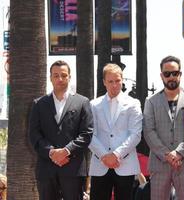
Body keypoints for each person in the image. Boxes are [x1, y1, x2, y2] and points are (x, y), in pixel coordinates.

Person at [29, 60, 93, 200]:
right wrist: (51, 152)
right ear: (50, 77)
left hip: (73, 169)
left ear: (69, 77)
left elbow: (86, 134)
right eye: (56, 75)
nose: (60, 79)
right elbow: (34, 134)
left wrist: (66, 151)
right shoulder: (38, 104)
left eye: (64, 75)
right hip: (46, 170)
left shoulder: (82, 102)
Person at [143, 55, 184, 200]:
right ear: (162, 76)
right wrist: (167, 155)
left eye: (175, 73)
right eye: (167, 74)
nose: (171, 77)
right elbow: (149, 131)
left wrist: (179, 152)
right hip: (159, 164)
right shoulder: (151, 101)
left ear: (180, 74)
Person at [88, 63, 143, 200]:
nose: (114, 85)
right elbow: (89, 134)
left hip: (125, 165)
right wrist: (105, 156)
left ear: (122, 80)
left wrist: (116, 155)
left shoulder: (133, 103)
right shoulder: (93, 105)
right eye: (110, 81)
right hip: (100, 164)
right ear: (104, 82)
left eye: (117, 81)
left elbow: (135, 135)